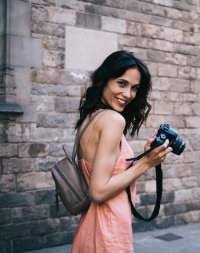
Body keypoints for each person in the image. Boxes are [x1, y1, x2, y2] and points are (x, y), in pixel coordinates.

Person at [70, 50, 172, 253]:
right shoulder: (113, 120)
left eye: (134, 88)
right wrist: (146, 163)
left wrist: (143, 156)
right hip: (108, 229)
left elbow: (107, 173)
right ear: (105, 80)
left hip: (93, 225)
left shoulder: (91, 117)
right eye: (122, 83)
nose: (128, 94)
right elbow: (98, 191)